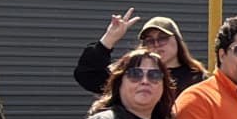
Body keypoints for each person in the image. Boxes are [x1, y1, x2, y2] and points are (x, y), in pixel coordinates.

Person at [74, 11, 206, 97]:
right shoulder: (132, 73)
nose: (156, 44)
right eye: (149, 40)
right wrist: (109, 39)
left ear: (177, 40)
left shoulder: (198, 79)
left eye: (163, 38)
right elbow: (88, 76)